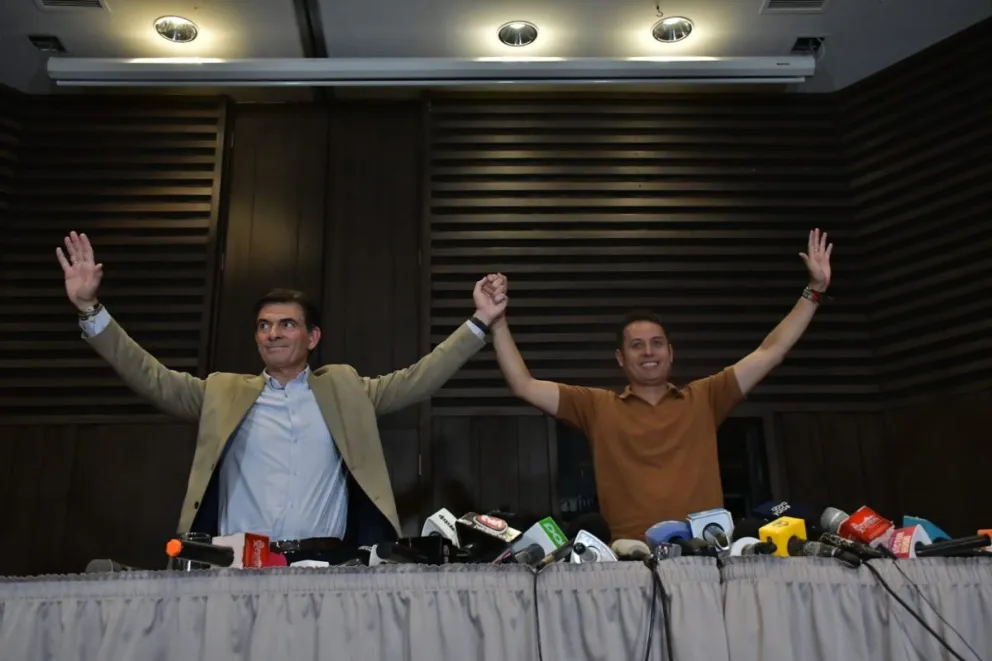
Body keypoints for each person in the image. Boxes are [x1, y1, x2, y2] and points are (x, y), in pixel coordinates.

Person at [56, 231, 507, 561]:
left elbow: (418, 380)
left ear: (313, 337)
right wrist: (90, 310)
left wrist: (479, 323)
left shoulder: (345, 388)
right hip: (236, 564)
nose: (273, 333)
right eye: (264, 326)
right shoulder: (222, 392)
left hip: (327, 562)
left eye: (286, 324)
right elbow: (150, 377)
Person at [487, 229, 834, 541]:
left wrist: (814, 291)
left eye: (656, 343)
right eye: (637, 345)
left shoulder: (706, 397)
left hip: (707, 555)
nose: (648, 352)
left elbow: (770, 351)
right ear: (620, 358)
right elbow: (524, 385)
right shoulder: (596, 406)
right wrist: (497, 321)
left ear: (670, 352)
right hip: (629, 560)